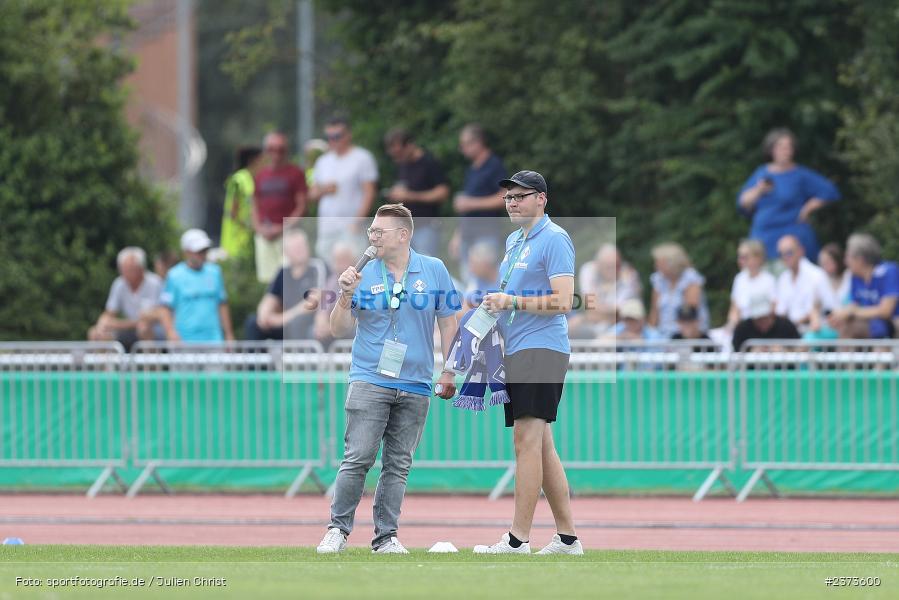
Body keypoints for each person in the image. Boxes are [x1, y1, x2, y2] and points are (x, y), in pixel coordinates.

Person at [317, 204, 460, 555]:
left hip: (416, 382)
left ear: (403, 234)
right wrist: (345, 295)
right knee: (358, 457)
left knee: (398, 465)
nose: (372, 237)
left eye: (379, 232)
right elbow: (337, 329)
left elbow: (449, 322)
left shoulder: (435, 269)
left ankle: (386, 537)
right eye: (371, 232)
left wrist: (450, 368)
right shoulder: (362, 273)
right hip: (369, 378)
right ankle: (337, 530)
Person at [477, 170, 583, 556]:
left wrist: (513, 303)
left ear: (541, 199)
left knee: (525, 440)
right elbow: (513, 296)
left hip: (542, 347)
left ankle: (518, 538)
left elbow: (564, 300)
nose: (512, 203)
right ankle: (568, 538)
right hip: (517, 347)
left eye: (521, 196)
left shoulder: (554, 238)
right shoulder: (513, 240)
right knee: (541, 446)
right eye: (508, 197)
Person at [737, 128, 841, 261]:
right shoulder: (762, 173)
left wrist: (808, 207)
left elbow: (830, 191)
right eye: (781, 147)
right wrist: (759, 190)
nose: (785, 151)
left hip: (792, 235)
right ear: (771, 150)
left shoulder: (799, 174)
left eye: (788, 147)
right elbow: (742, 202)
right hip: (763, 237)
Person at [307, 117, 378, 258]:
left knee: (354, 271)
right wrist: (323, 190)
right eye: (330, 137)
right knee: (330, 272)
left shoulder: (362, 158)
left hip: (350, 228)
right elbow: (312, 194)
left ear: (348, 135)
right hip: (327, 228)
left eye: (337, 136)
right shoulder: (323, 161)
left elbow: (369, 193)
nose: (333, 140)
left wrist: (357, 223)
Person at [244, 228, 325, 341]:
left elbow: (313, 303)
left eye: (301, 246)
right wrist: (264, 316)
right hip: (284, 322)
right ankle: (256, 358)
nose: (300, 250)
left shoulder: (317, 267)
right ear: (286, 253)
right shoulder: (283, 272)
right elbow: (269, 300)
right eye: (295, 248)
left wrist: (280, 319)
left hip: (307, 323)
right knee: (253, 323)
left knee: (297, 323)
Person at [451, 123, 508, 276]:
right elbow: (467, 210)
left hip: (486, 234)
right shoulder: (472, 169)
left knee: (484, 284)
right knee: (470, 284)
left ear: (477, 143)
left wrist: (471, 203)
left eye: (464, 144)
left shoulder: (494, 165)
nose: (461, 149)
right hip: (468, 237)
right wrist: (458, 235)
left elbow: (505, 197)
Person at [159, 229, 234, 343]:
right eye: (198, 251)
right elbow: (165, 308)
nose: (202, 254)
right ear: (186, 252)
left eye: (204, 250)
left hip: (213, 340)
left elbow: (222, 304)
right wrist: (170, 332)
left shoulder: (215, 272)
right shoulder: (174, 275)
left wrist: (229, 334)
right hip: (184, 340)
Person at [384, 128, 450, 258]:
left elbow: (443, 192)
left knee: (425, 266)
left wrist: (410, 196)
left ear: (409, 145)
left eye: (399, 153)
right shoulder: (403, 165)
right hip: (405, 228)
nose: (398, 157)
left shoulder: (429, 163)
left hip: (426, 226)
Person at [253, 131, 308, 283]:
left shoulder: (295, 173)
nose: (276, 153)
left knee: (291, 278)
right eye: (271, 149)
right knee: (269, 282)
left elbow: (301, 207)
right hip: (265, 235)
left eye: (280, 149)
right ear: (266, 151)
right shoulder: (260, 175)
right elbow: (255, 205)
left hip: (289, 235)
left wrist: (282, 228)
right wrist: (259, 228)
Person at [88, 247, 165, 350]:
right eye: (123, 269)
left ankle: (151, 364)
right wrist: (102, 325)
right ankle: (105, 365)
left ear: (141, 268)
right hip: (130, 330)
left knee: (144, 329)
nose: (125, 273)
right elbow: (109, 313)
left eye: (130, 269)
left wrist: (119, 324)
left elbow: (156, 317)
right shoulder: (119, 284)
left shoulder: (155, 283)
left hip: (155, 330)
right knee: (95, 333)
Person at [828, 233, 899, 339]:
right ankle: (844, 355)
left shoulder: (888, 271)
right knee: (846, 326)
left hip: (893, 325)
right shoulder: (855, 277)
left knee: (878, 327)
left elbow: (886, 311)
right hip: (871, 325)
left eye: (848, 256)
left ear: (860, 260)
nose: (845, 261)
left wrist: (853, 312)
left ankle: (880, 354)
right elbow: (854, 305)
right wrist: (841, 315)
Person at [568, 244, 642, 338]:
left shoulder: (629, 276)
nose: (613, 270)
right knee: (569, 329)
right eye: (608, 266)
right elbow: (591, 309)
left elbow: (622, 314)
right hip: (595, 327)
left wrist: (593, 314)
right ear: (598, 265)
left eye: (616, 265)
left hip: (623, 328)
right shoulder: (589, 270)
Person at [773, 234, 835, 335]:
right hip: (790, 333)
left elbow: (830, 308)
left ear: (800, 251)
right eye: (781, 254)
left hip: (816, 331)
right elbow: (781, 311)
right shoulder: (783, 279)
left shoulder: (817, 275)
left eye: (789, 253)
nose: (785, 257)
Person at [649, 243, 710, 339]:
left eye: (659, 262)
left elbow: (690, 312)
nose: (656, 266)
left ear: (672, 263)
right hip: (662, 333)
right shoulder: (658, 279)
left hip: (684, 335)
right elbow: (654, 311)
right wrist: (650, 332)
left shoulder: (690, 278)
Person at [313, 240, 359, 346]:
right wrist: (321, 326)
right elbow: (322, 311)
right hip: (332, 327)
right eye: (337, 260)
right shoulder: (331, 282)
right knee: (313, 331)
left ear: (354, 261)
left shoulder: (361, 281)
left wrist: (330, 329)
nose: (340, 264)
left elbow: (359, 319)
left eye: (344, 259)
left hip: (350, 327)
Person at [220, 145, 263, 260]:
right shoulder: (239, 179)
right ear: (253, 160)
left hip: (249, 239)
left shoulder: (253, 179)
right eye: (262, 160)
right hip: (237, 240)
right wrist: (250, 227)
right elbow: (234, 212)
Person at [727, 239, 776, 330]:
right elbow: (734, 309)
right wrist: (730, 325)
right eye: (740, 257)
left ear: (757, 258)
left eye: (744, 257)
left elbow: (773, 309)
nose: (740, 261)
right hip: (743, 327)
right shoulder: (739, 279)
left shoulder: (769, 280)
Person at [733, 294, 800, 352]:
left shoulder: (786, 326)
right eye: (758, 318)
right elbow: (736, 350)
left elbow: (801, 348)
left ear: (771, 313)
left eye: (765, 317)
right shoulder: (742, 329)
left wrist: (784, 351)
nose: (762, 321)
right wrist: (750, 352)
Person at [461, 241, 501, 310]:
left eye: (473, 263)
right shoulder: (477, 278)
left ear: (485, 264)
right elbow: (464, 304)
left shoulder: (505, 275)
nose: (470, 269)